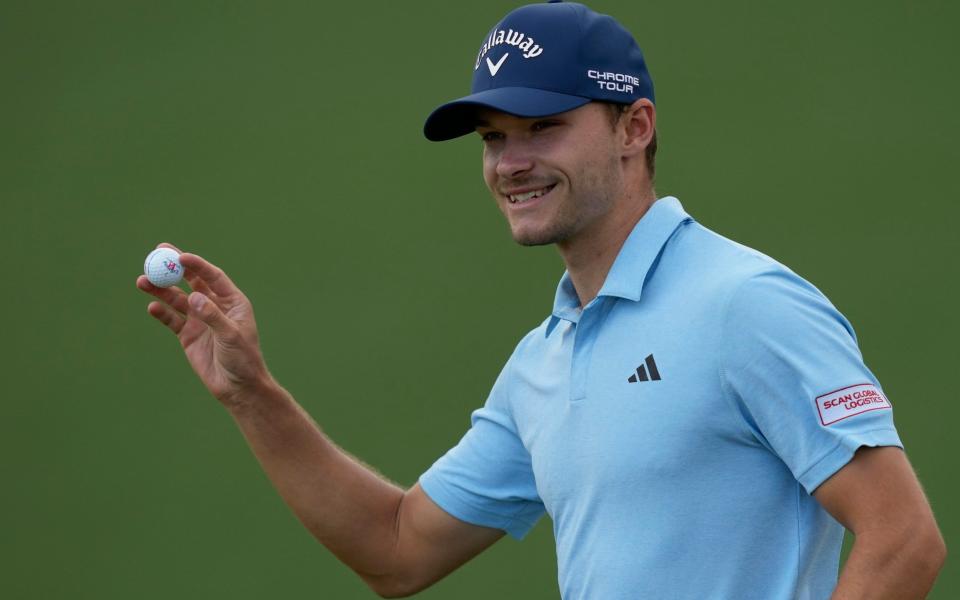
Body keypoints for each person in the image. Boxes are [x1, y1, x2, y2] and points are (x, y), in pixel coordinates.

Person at [136, 2, 945, 598]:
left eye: (541, 127)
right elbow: (396, 548)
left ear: (634, 128)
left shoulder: (746, 303)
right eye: (493, 137)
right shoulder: (543, 363)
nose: (509, 163)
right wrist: (253, 396)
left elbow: (904, 539)